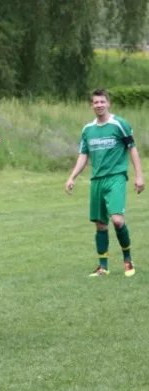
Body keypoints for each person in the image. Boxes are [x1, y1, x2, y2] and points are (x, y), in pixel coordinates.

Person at [65, 88, 144, 277]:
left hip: (116, 177)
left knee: (117, 220)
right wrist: (72, 177)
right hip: (97, 180)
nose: (99, 105)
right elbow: (83, 155)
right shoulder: (88, 130)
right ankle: (103, 267)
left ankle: (128, 260)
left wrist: (139, 176)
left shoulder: (119, 124)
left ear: (108, 103)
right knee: (100, 224)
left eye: (102, 102)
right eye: (96, 102)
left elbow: (132, 149)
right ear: (91, 105)